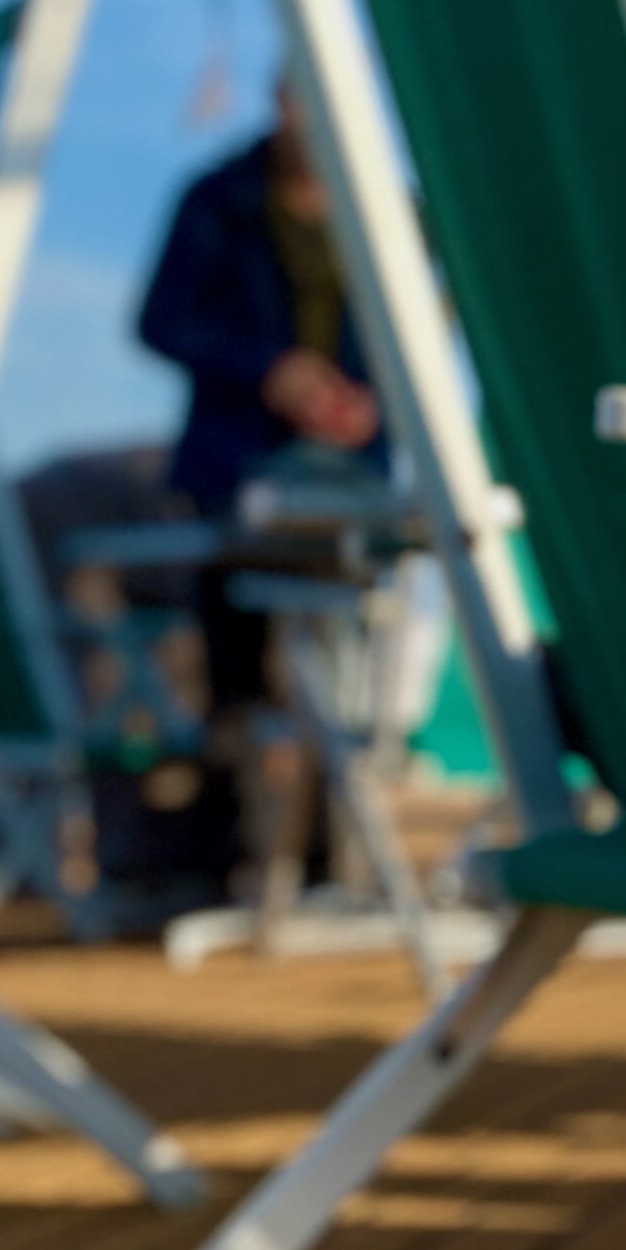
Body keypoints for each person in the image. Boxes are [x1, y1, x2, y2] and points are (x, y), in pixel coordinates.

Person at [136, 84, 384, 902]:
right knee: (240, 671)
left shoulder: (383, 203)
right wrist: (269, 371)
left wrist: (372, 398)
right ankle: (233, 861)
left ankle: (323, 860)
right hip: (236, 468)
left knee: (344, 666)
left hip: (349, 477)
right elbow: (161, 318)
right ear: (283, 101)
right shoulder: (220, 199)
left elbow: (425, 315)